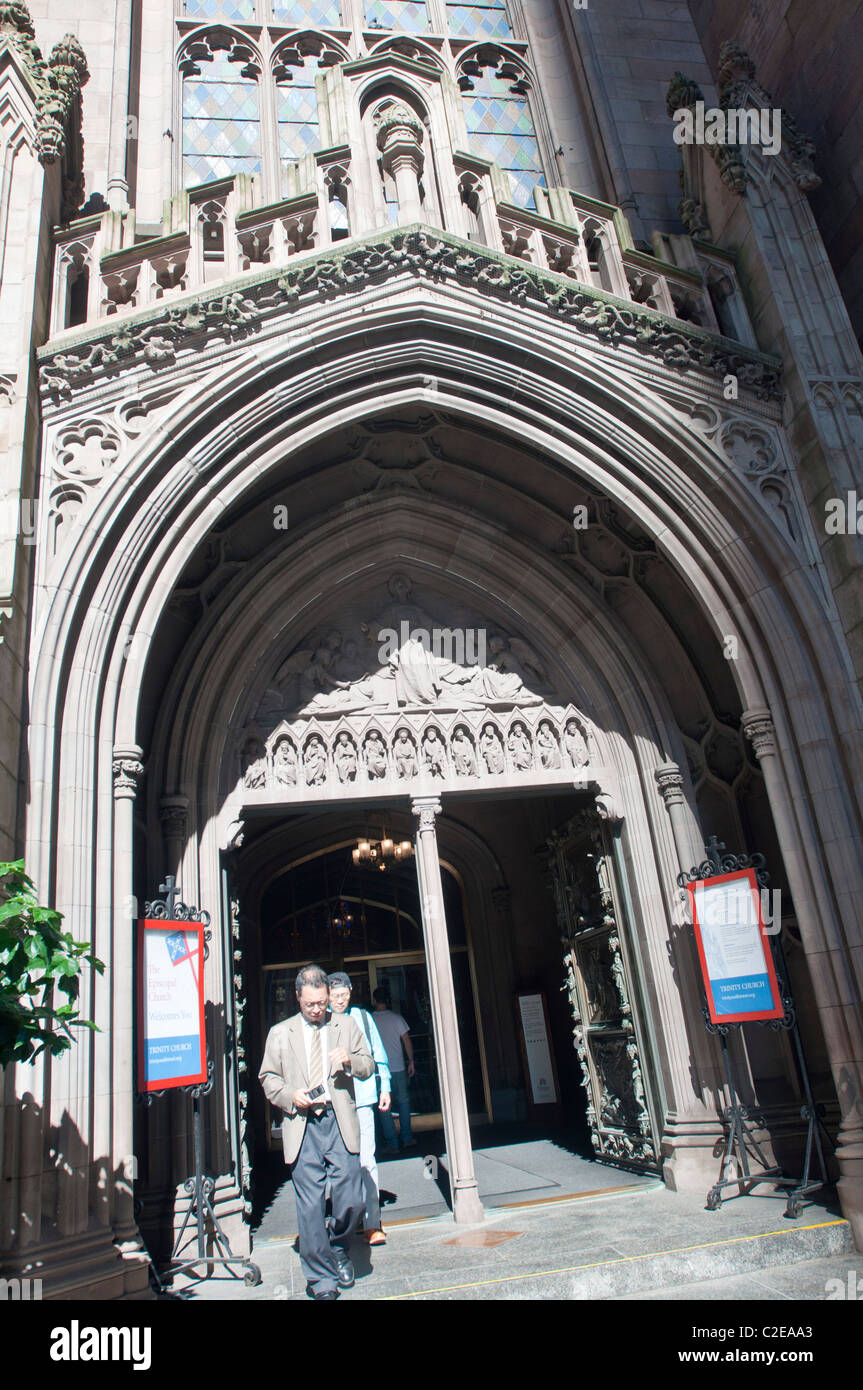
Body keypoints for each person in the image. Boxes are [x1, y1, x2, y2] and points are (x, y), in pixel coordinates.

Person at [258, 963, 374, 1300]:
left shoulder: (346, 1025)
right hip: (303, 1124)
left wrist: (351, 1060)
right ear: (297, 998)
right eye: (310, 1004)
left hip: (338, 1122)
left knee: (351, 1198)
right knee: (309, 1206)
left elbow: (368, 1064)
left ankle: (338, 1247)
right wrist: (288, 1097)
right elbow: (268, 1078)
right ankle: (322, 1280)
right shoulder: (281, 1033)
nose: (317, 1010)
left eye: (321, 1003)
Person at [327, 972, 391, 1246]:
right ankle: (345, 1220)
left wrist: (385, 1086)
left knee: (367, 1160)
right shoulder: (321, 1021)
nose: (340, 1000)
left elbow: (378, 1054)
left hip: (363, 1097)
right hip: (334, 1100)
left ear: (351, 992)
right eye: (335, 995)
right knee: (340, 1164)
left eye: (344, 995)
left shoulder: (363, 1018)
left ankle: (372, 1223)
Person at [371, 987, 416, 1151]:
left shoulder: (370, 1020)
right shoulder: (397, 1018)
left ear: (374, 1001)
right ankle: (407, 1137)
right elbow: (406, 1040)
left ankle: (392, 1143)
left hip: (380, 1071)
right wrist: (411, 1060)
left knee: (384, 1107)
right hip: (398, 1067)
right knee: (404, 1102)